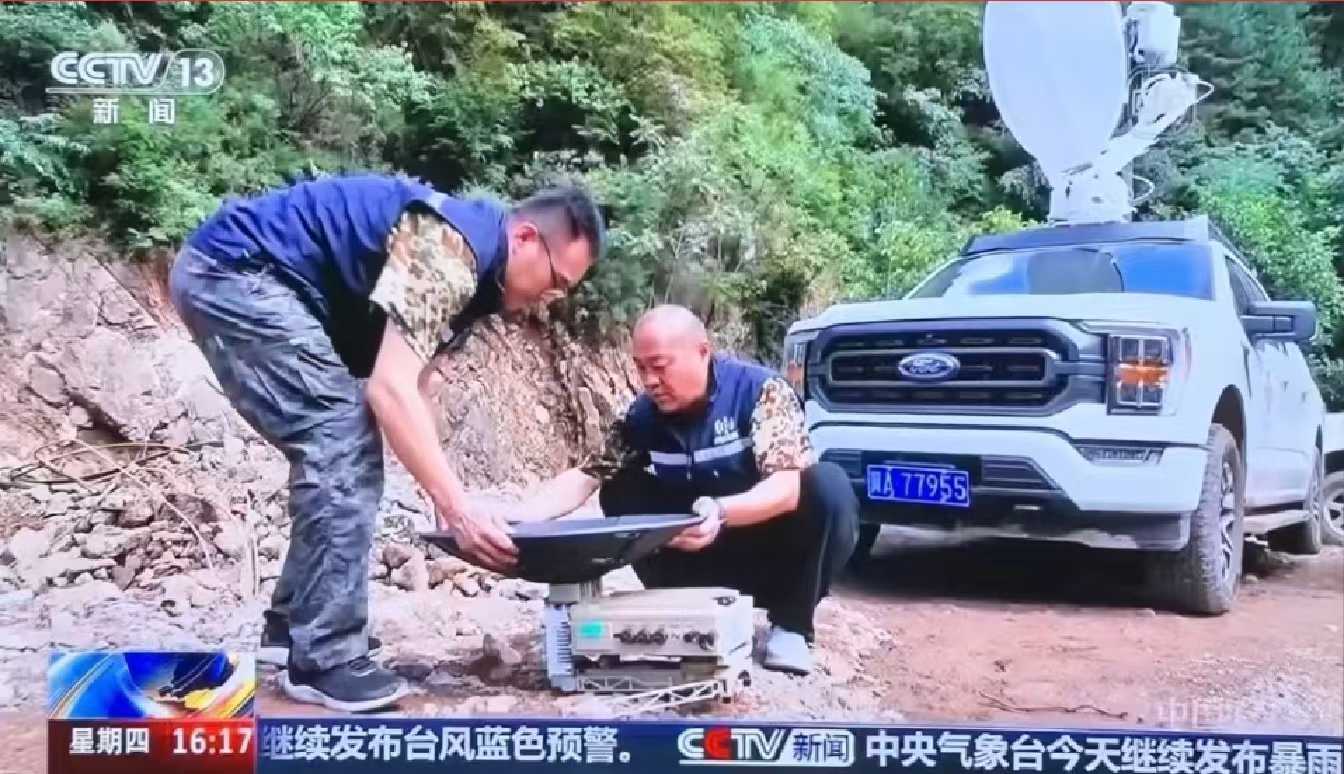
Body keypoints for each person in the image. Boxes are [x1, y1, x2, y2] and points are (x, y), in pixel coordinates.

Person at [169, 173, 605, 711]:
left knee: (343, 437)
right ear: (525, 239)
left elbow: (415, 385)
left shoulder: (480, 278)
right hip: (235, 273)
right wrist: (458, 508)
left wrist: (444, 493)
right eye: (557, 281)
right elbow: (388, 390)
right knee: (340, 438)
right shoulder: (449, 250)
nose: (551, 298)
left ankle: (295, 628)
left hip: (257, 281)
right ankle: (324, 657)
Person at [508, 305, 859, 675]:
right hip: (695, 553)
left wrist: (720, 511)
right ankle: (681, 612)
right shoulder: (642, 416)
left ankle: (791, 626)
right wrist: (518, 518)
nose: (650, 381)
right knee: (620, 487)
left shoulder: (759, 392)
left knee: (827, 485)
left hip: (768, 551)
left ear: (703, 352)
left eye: (660, 366)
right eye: (641, 368)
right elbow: (587, 475)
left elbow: (786, 488)